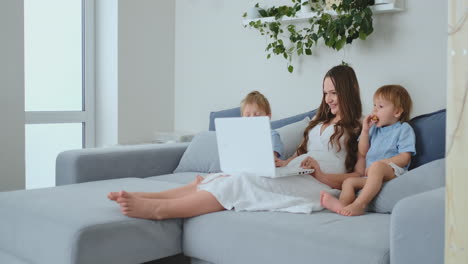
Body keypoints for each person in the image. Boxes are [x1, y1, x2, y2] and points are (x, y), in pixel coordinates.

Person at [108, 65, 364, 220]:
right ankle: (150, 197)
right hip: (296, 172)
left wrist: (321, 175)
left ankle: (160, 211)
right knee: (222, 176)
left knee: (242, 182)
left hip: (317, 184)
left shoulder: (360, 126)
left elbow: (358, 175)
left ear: (348, 91)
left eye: (333, 93)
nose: (328, 99)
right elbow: (296, 158)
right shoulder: (319, 123)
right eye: (325, 93)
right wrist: (281, 162)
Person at [320, 85, 416, 216]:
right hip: (371, 176)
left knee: (377, 167)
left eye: (380, 107)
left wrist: (382, 164)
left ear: (397, 112)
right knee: (348, 182)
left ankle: (360, 205)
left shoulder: (403, 129)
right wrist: (365, 130)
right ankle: (342, 206)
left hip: (393, 172)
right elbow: (363, 152)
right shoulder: (374, 129)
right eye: (374, 106)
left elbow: (405, 157)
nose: (374, 110)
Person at [240, 90, 284, 158]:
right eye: (247, 115)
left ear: (268, 116)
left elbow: (272, 159)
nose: (252, 119)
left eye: (257, 115)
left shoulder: (273, 135)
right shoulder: (243, 137)